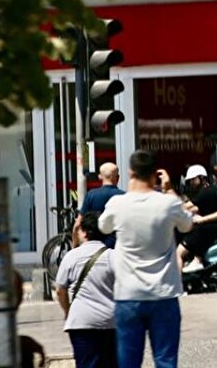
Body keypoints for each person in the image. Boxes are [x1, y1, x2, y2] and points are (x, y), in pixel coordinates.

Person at [99, 149, 195, 368]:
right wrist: (169, 189)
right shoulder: (168, 204)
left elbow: (103, 226)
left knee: (128, 362)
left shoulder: (117, 204)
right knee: (165, 360)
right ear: (156, 173)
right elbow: (187, 224)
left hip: (128, 295)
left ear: (130, 172)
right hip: (164, 293)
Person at [56, 211, 117, 368]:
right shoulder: (113, 256)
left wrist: (67, 311)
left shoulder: (71, 257)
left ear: (83, 231)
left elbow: (60, 290)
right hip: (110, 322)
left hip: (81, 322)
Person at [176, 164, 217, 270]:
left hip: (205, 231)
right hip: (210, 230)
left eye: (192, 180)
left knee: (178, 253)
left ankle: (177, 285)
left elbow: (187, 207)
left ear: (201, 178)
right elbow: (196, 209)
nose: (190, 183)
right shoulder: (212, 190)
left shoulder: (205, 192)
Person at [82, 163, 124, 247]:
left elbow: (79, 222)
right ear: (118, 178)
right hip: (117, 246)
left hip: (96, 246)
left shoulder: (91, 195)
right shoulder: (124, 196)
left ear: (100, 177)